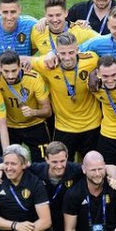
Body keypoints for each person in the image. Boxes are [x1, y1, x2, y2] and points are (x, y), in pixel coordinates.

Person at [32, 32, 101, 160]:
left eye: (71, 52)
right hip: (64, 128)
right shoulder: (47, 65)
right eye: (63, 53)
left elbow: (108, 65)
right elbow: (26, 60)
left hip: (92, 125)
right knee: (62, 167)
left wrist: (95, 72)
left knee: (91, 166)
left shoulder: (92, 60)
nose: (67, 57)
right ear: (56, 52)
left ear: (78, 50)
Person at [0, 50, 52, 162]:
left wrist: (33, 112)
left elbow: (48, 111)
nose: (10, 75)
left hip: (35, 125)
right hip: (10, 126)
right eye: (6, 71)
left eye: (14, 71)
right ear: (0, 68)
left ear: (20, 67)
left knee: (43, 164)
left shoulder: (34, 79)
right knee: (10, 163)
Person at [31, 0, 97, 56]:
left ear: (66, 13)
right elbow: (28, 53)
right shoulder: (38, 30)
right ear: (45, 15)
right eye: (50, 15)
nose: (54, 19)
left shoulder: (81, 30)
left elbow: (104, 43)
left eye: (58, 15)